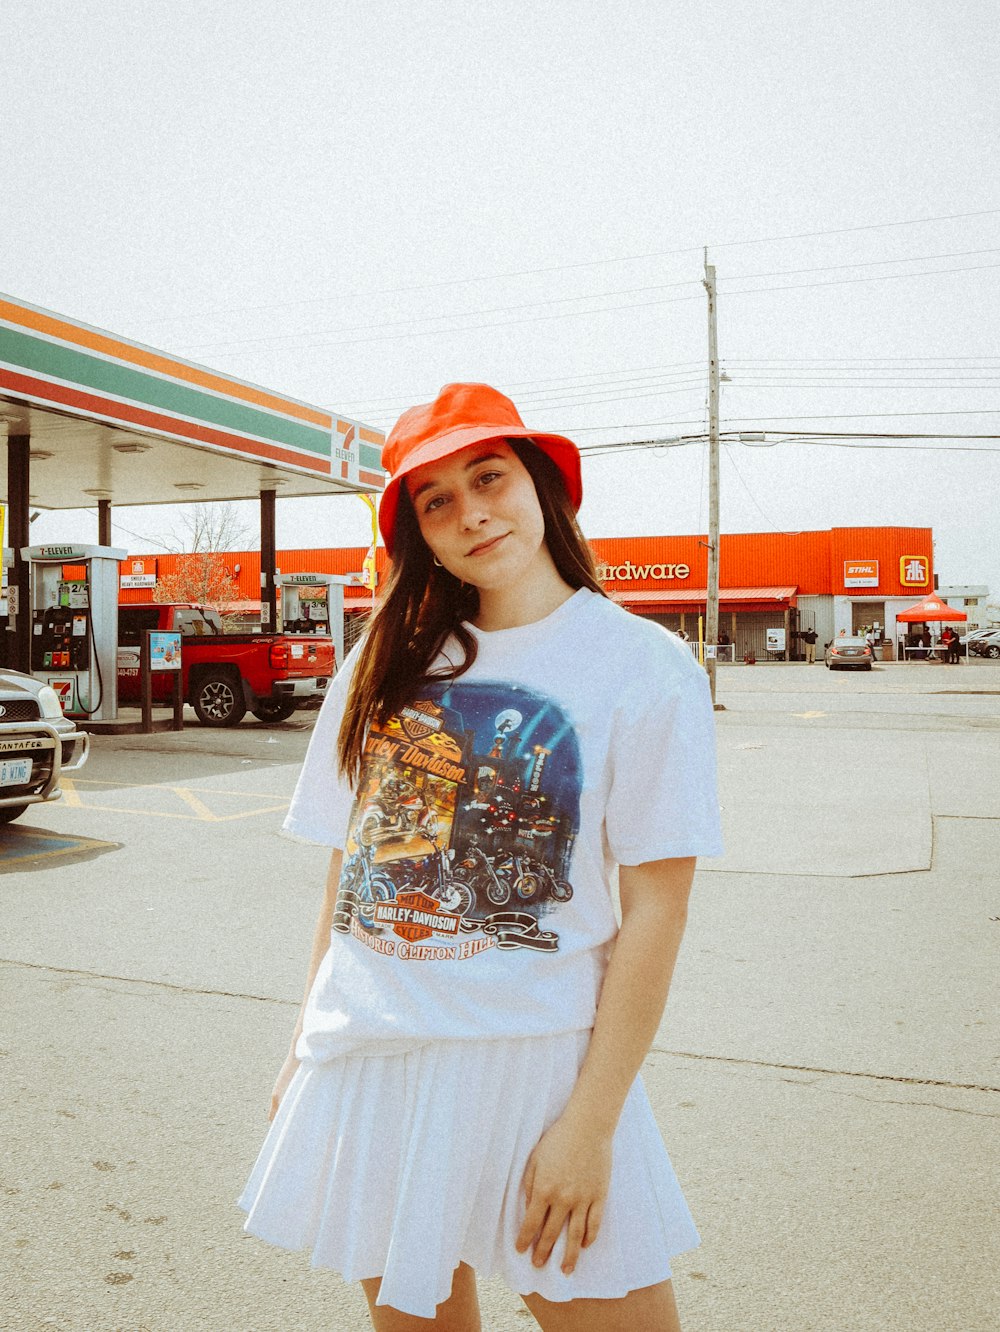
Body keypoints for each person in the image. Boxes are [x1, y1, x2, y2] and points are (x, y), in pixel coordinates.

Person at [238, 383, 723, 1330]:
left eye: (488, 477)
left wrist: (592, 1122)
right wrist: (308, 1043)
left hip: (539, 1064)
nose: (472, 513)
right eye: (437, 500)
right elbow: (352, 866)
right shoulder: (387, 652)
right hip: (375, 1053)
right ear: (419, 533)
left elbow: (658, 905)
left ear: (541, 484)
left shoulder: (642, 664)